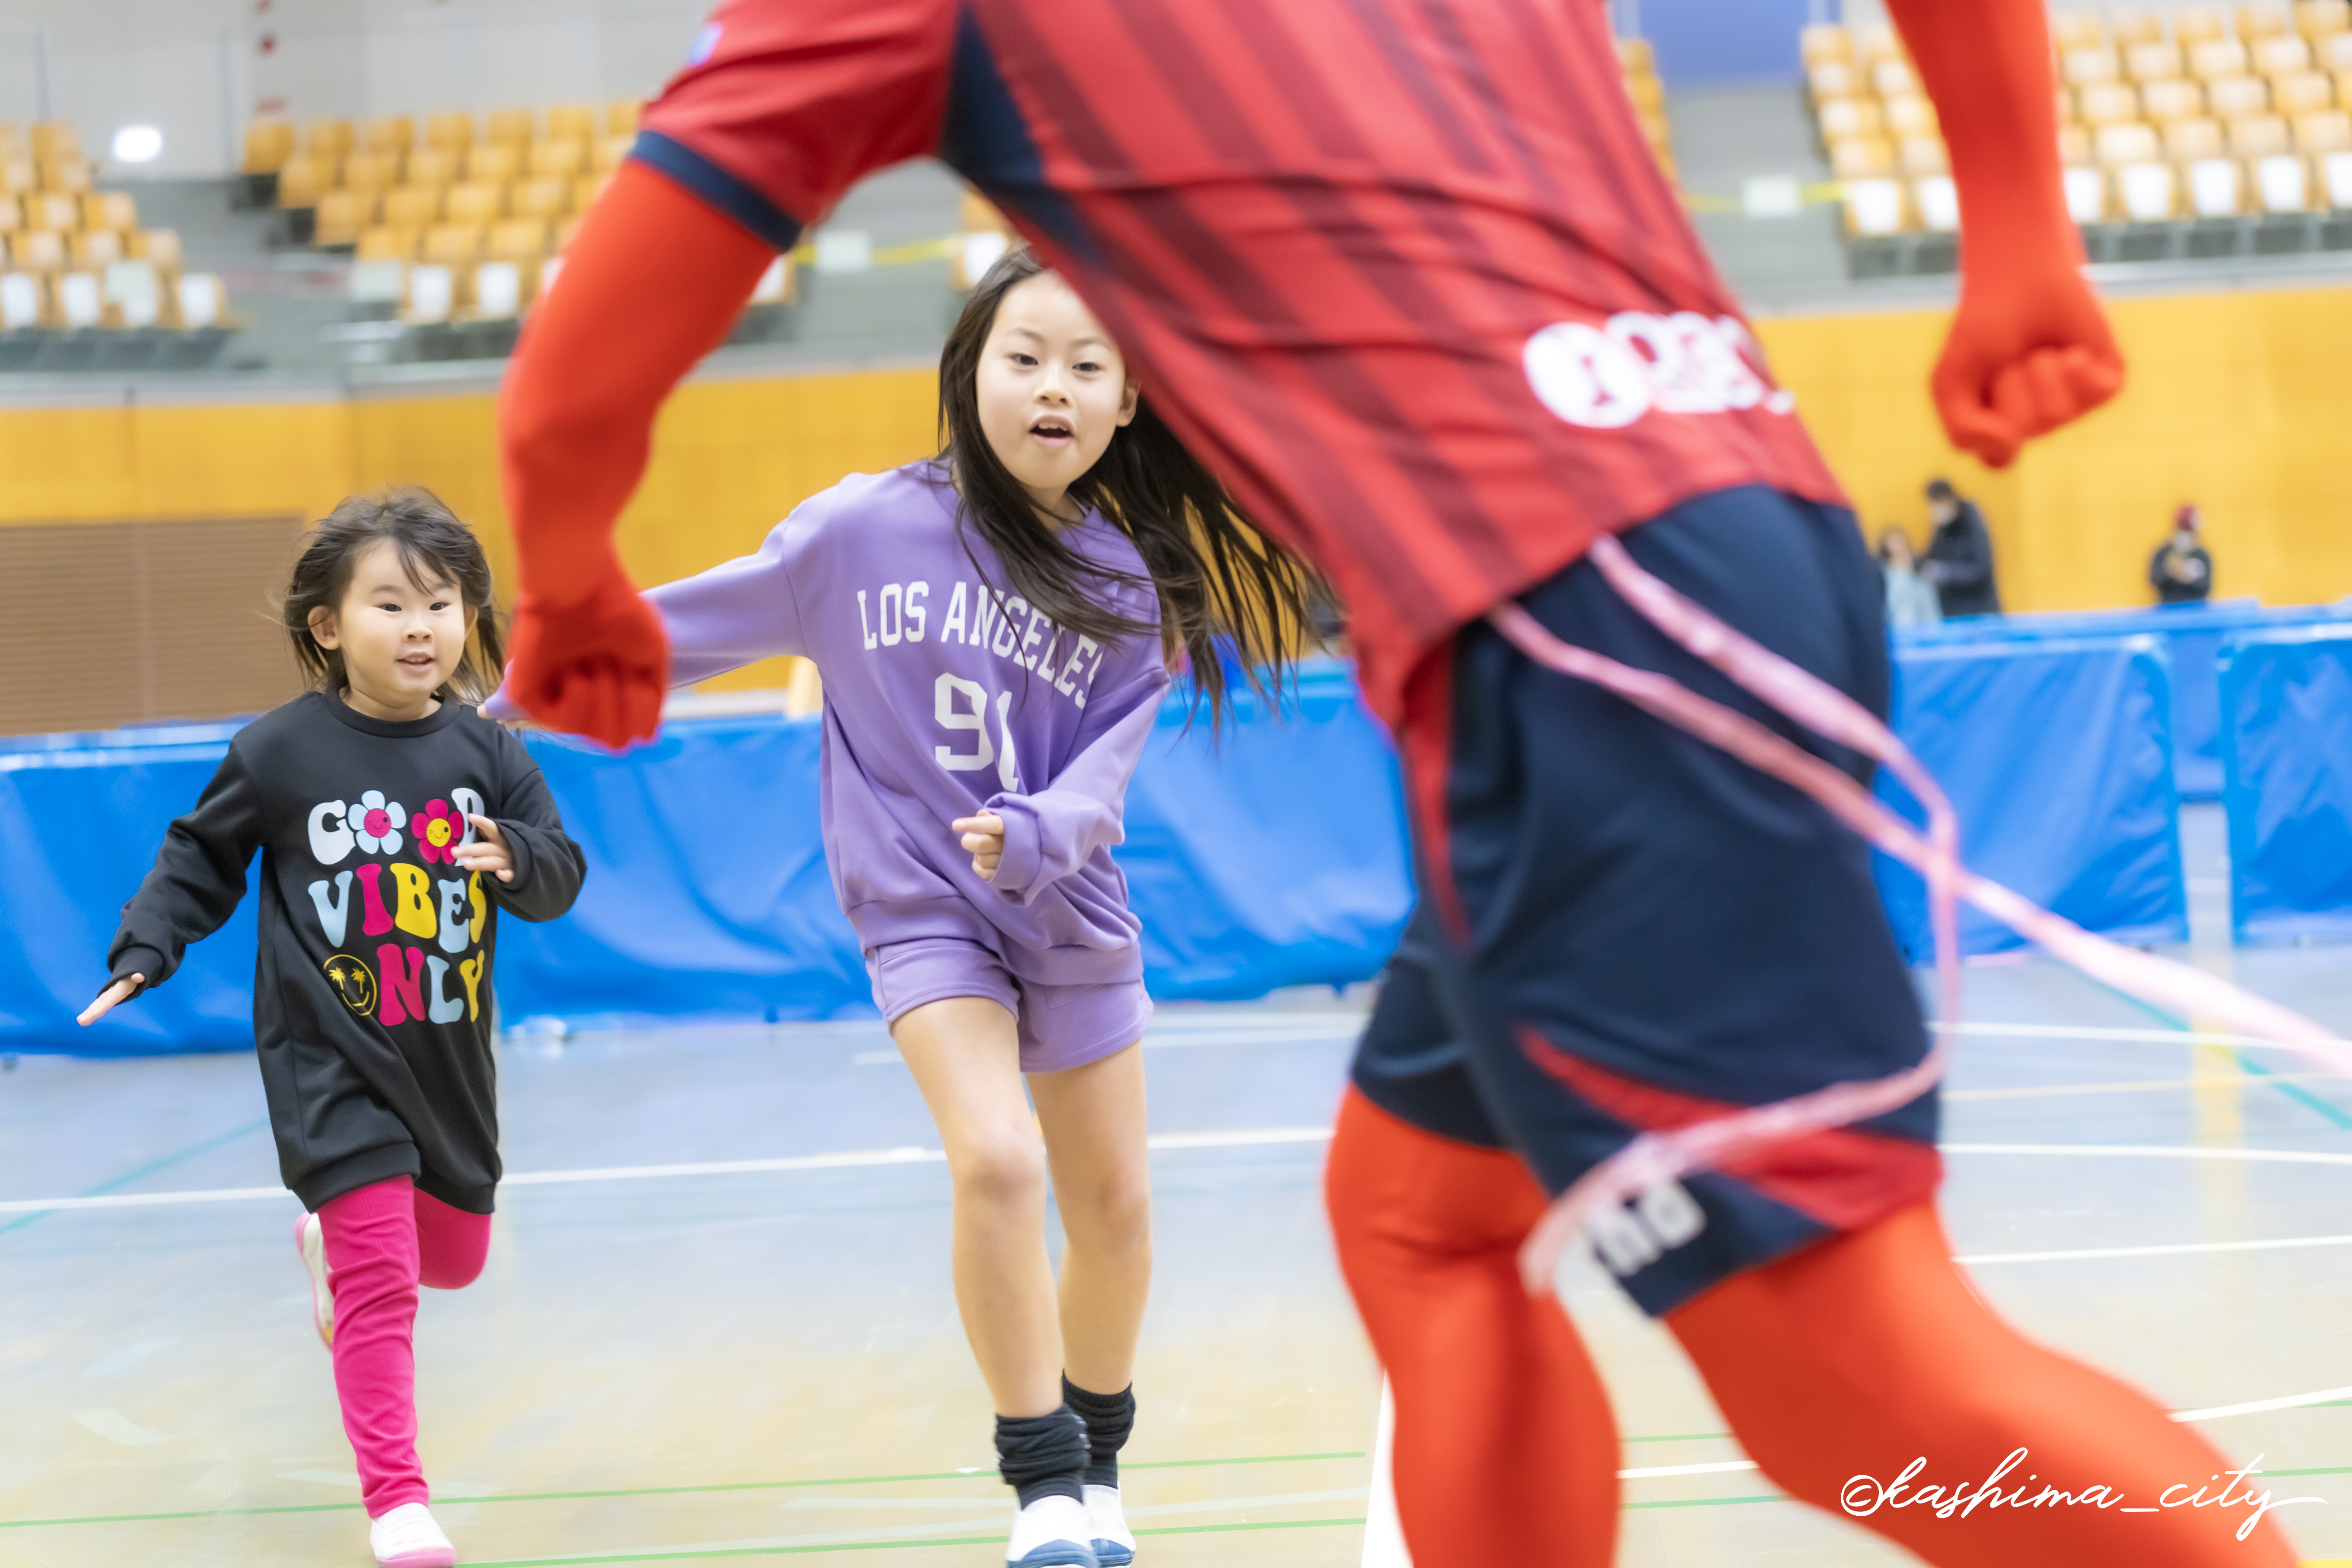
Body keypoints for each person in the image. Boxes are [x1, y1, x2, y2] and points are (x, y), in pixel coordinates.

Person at [485, 0, 2298, 1563]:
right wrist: (2011, 237)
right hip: (1731, 532)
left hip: (1586, 626)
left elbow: (576, 384)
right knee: (1423, 1220)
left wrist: (571, 578)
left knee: (1844, 1371)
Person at [499, 249, 1313, 1568]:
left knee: (1115, 1214)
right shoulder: (856, 530)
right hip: (920, 905)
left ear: (1125, 409)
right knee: (994, 1158)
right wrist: (506, 698)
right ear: (967, 375)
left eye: (1086, 367)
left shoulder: (1122, 588)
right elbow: (685, 624)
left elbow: (1102, 778)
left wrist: (1038, 828)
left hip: (1066, 910)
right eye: (1024, 357)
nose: (1052, 386)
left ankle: (1097, 1468)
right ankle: (1041, 1485)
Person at [77, 491, 586, 1568]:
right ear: (327, 626)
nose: (420, 626)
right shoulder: (279, 753)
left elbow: (559, 869)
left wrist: (520, 860)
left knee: (453, 1258)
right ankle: (397, 1501)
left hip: (444, 1056)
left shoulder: (488, 755)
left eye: (442, 604)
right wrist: (144, 950)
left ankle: (325, 1243)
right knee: (382, 1279)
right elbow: (195, 860)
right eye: (391, 603)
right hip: (328, 1061)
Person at [1920, 476, 2002, 618]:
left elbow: (1981, 569)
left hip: (1979, 609)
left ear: (1950, 500)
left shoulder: (1973, 523)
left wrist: (1947, 572)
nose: (1935, 509)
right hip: (1952, 609)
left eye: (1938, 503)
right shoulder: (1942, 528)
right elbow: (1930, 557)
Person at [1876, 525, 1942, 628]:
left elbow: (1929, 599)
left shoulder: (1918, 566)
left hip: (1925, 622)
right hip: (1899, 624)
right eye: (1894, 542)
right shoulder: (1883, 571)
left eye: (1900, 541)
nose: (1898, 546)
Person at [2151, 505, 2214, 604]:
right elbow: (2154, 580)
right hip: (2169, 609)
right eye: (2183, 529)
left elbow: (2206, 588)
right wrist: (2170, 571)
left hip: (2195, 610)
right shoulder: (2164, 553)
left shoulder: (2203, 555)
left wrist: (2186, 576)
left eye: (2189, 530)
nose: (2186, 534)